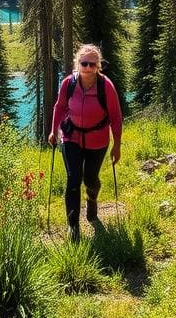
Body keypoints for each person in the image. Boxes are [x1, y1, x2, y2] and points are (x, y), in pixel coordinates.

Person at [48, 44, 123, 241]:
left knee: (90, 179)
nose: (88, 67)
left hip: (97, 140)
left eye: (92, 64)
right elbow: (60, 106)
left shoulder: (106, 86)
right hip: (71, 136)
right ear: (77, 64)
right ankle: (73, 228)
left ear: (98, 65)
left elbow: (115, 117)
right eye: (84, 63)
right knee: (73, 179)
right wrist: (53, 131)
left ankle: (92, 199)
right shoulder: (68, 83)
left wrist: (117, 145)